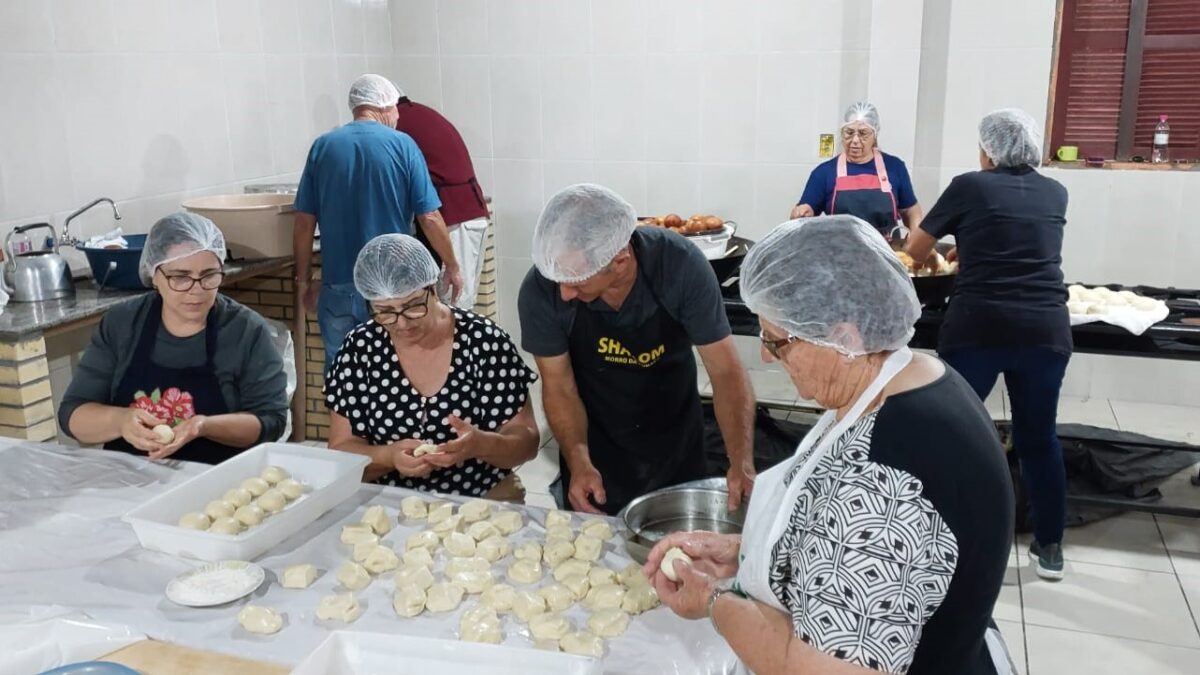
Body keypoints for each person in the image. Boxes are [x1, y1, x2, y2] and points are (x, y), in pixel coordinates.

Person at [645, 216, 1016, 675]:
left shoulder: (881, 489)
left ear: (843, 337)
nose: (765, 353)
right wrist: (745, 551)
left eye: (777, 340)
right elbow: (852, 554)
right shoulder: (914, 379)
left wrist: (714, 600)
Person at [518, 184, 756, 516]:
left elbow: (726, 373)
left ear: (620, 259)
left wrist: (740, 461)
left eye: (578, 281)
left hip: (676, 437)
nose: (566, 293)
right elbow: (559, 387)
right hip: (595, 442)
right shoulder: (541, 290)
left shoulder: (679, 266)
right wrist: (579, 461)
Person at [906, 108, 1070, 581]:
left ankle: (932, 531)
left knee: (949, 431)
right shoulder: (1056, 191)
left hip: (979, 326)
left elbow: (917, 249)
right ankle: (1050, 547)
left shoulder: (970, 185)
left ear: (988, 150)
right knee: (1039, 437)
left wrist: (950, 250)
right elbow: (1021, 239)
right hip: (1045, 330)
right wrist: (972, 245)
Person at [59, 213, 289, 464]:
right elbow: (73, 414)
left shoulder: (245, 330)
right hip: (130, 481)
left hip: (218, 480)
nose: (196, 290)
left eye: (209, 275)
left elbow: (271, 421)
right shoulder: (123, 323)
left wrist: (203, 426)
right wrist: (121, 421)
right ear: (154, 275)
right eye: (180, 277)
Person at [325, 234, 539, 500]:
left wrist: (480, 444)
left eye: (412, 307)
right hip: (387, 499)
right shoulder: (360, 349)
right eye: (384, 311)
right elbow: (341, 450)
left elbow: (527, 442)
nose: (401, 323)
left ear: (433, 288)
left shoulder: (484, 342)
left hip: (480, 497)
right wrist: (388, 456)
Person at [294, 74, 464, 374]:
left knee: (344, 376)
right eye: (396, 110)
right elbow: (429, 217)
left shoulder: (323, 147)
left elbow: (304, 223)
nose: (397, 117)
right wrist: (452, 265)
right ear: (385, 106)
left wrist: (304, 280)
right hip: (394, 291)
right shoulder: (402, 145)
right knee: (400, 371)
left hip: (339, 287)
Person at [394, 87, 491, 310]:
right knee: (455, 303)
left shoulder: (399, 123)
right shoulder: (419, 114)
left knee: (454, 305)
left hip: (455, 218)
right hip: (464, 213)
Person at [790, 102, 923, 240]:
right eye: (849, 133)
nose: (855, 140)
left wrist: (916, 237)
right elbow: (806, 209)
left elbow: (910, 209)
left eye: (863, 133)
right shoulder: (824, 172)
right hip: (840, 251)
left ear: (874, 135)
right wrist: (801, 213)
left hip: (886, 251)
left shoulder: (894, 168)